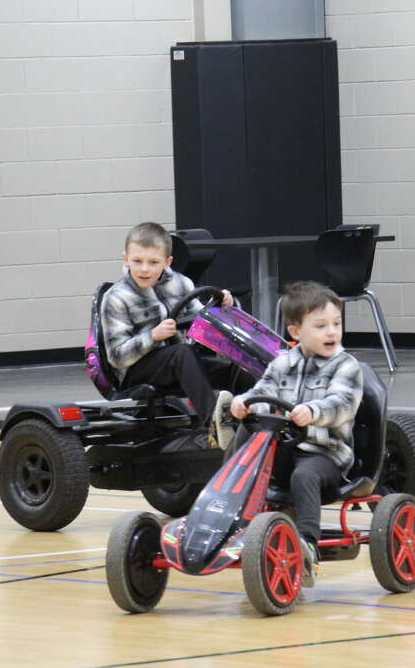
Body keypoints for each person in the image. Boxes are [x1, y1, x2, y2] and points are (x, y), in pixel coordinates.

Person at [229, 281, 363, 587]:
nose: (332, 332)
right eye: (320, 326)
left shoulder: (346, 366)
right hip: (285, 447)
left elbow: (341, 403)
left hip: (326, 453)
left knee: (304, 476)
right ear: (295, 332)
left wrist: (313, 411)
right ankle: (229, 517)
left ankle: (307, 546)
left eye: (336, 324)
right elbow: (262, 391)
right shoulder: (281, 364)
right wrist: (243, 403)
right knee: (245, 446)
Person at [101, 221, 236, 449]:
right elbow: (116, 357)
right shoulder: (116, 298)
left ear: (167, 262)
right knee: (181, 353)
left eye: (153, 262)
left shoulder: (182, 283)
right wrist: (153, 336)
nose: (144, 269)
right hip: (137, 368)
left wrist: (220, 307)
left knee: (233, 370)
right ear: (125, 259)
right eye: (137, 261)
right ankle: (213, 423)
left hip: (182, 362)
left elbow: (201, 325)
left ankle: (259, 415)